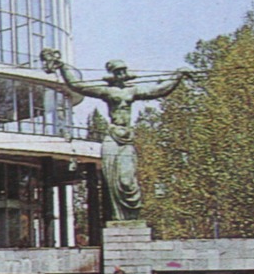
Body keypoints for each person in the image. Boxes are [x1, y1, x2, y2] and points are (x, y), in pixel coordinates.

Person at [41, 49, 190, 222]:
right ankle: (119, 218)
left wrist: (178, 75)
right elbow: (77, 85)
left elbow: (159, 90)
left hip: (127, 138)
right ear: (112, 74)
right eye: (118, 71)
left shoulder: (132, 92)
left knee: (128, 181)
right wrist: (62, 66)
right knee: (114, 181)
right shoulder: (107, 92)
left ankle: (130, 218)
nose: (121, 73)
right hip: (113, 136)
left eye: (123, 71)